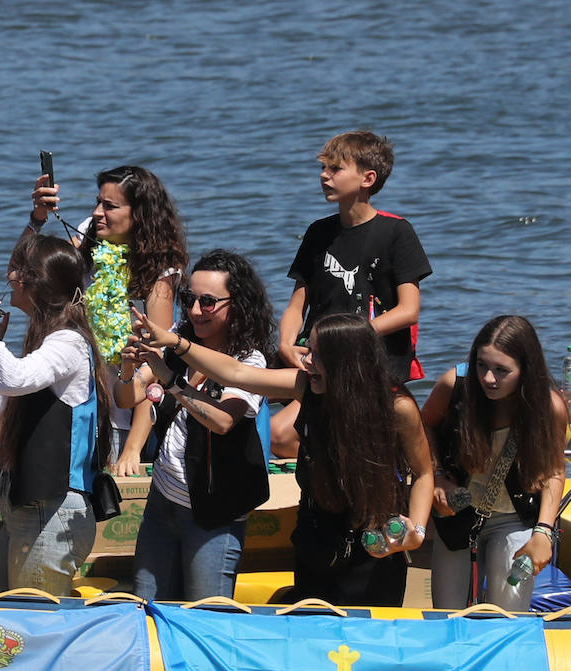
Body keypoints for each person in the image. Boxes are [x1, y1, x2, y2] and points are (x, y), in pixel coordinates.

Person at [133, 311, 433, 607]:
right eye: (309, 351)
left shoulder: (396, 407)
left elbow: (423, 473)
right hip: (316, 543)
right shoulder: (306, 387)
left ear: (347, 361)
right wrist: (173, 341)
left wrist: (416, 532)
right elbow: (235, 373)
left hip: (375, 546)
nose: (306, 361)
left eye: (318, 355)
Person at [0, 234, 112, 596]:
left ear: (37, 284)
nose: (9, 276)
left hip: (51, 512)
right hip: (31, 508)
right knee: (4, 610)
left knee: (33, 623)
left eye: (17, 270)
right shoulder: (48, 338)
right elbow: (0, 399)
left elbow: (12, 379)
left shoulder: (68, 342)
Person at [115, 250, 274, 601]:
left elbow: (222, 420)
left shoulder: (249, 359)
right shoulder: (177, 336)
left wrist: (172, 382)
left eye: (208, 302)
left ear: (239, 304)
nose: (195, 311)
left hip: (214, 515)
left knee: (206, 616)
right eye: (189, 299)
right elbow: (126, 399)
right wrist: (128, 369)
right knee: (147, 607)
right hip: (162, 502)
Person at [272, 129, 432, 457]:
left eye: (335, 169)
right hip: (315, 360)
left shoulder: (396, 233)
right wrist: (286, 344)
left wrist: (343, 339)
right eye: (323, 168)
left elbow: (408, 311)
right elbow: (296, 305)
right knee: (242, 392)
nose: (324, 176)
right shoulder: (319, 233)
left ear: (367, 178)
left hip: (370, 363)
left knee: (280, 435)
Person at [27, 164, 187, 474]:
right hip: (69, 397)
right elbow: (23, 275)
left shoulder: (159, 273)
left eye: (110, 206)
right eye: (98, 202)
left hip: (118, 414)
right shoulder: (90, 236)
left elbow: (153, 362)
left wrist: (131, 449)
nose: (98, 212)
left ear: (139, 215)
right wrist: (38, 218)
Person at [422, 316, 567, 611]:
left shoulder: (549, 407)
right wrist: (437, 476)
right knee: (448, 613)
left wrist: (543, 531)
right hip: (457, 511)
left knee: (509, 614)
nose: (488, 378)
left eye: (502, 370)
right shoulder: (455, 385)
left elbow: (554, 468)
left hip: (514, 516)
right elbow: (422, 429)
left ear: (526, 370)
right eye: (481, 365)